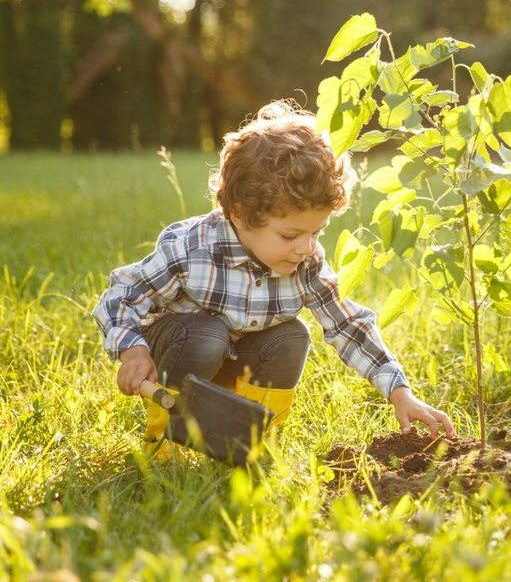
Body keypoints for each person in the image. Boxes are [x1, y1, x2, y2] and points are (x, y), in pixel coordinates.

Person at [92, 100, 454, 457]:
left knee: (292, 336)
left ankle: (248, 440)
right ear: (239, 214)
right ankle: (167, 441)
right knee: (207, 335)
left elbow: (348, 325)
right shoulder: (192, 250)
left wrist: (400, 392)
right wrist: (133, 351)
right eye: (290, 236)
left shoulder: (306, 263)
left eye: (317, 233)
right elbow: (122, 294)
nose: (306, 248)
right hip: (181, 352)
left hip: (235, 362)